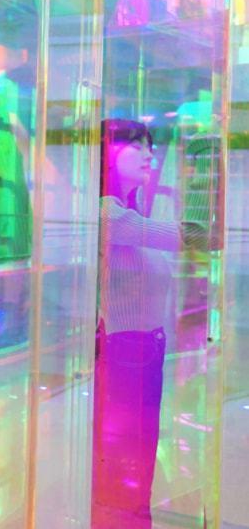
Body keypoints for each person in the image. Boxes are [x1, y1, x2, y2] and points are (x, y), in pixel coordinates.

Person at [91, 119, 217, 529]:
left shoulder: (129, 215)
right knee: (127, 457)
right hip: (124, 353)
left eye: (151, 146)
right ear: (109, 154)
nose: (149, 154)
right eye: (136, 145)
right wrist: (206, 159)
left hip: (144, 352)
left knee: (140, 455)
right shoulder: (109, 214)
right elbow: (197, 235)